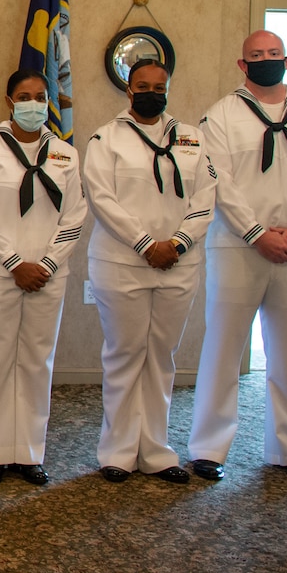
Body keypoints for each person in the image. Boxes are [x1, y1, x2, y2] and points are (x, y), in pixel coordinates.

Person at [188, 30, 287, 484]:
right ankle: (208, 448)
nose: (266, 60)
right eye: (257, 55)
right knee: (224, 349)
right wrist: (257, 233)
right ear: (242, 64)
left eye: (273, 54)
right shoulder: (221, 116)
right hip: (239, 246)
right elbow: (218, 180)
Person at [83, 58, 215, 484]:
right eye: (143, 85)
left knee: (161, 356)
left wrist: (175, 244)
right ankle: (118, 450)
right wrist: (145, 243)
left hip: (178, 262)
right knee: (124, 354)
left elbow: (205, 200)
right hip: (123, 262)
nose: (152, 93)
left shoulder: (193, 138)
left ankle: (156, 449)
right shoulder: (107, 138)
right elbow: (102, 199)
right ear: (128, 90)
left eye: (160, 86)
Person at [0, 68, 85, 486]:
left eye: (40, 95)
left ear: (49, 100)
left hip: (48, 275)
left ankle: (30, 452)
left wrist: (46, 264)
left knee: (36, 363)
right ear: (9, 101)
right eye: (24, 96)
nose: (33, 103)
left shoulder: (65, 153)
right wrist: (15, 262)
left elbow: (75, 215)